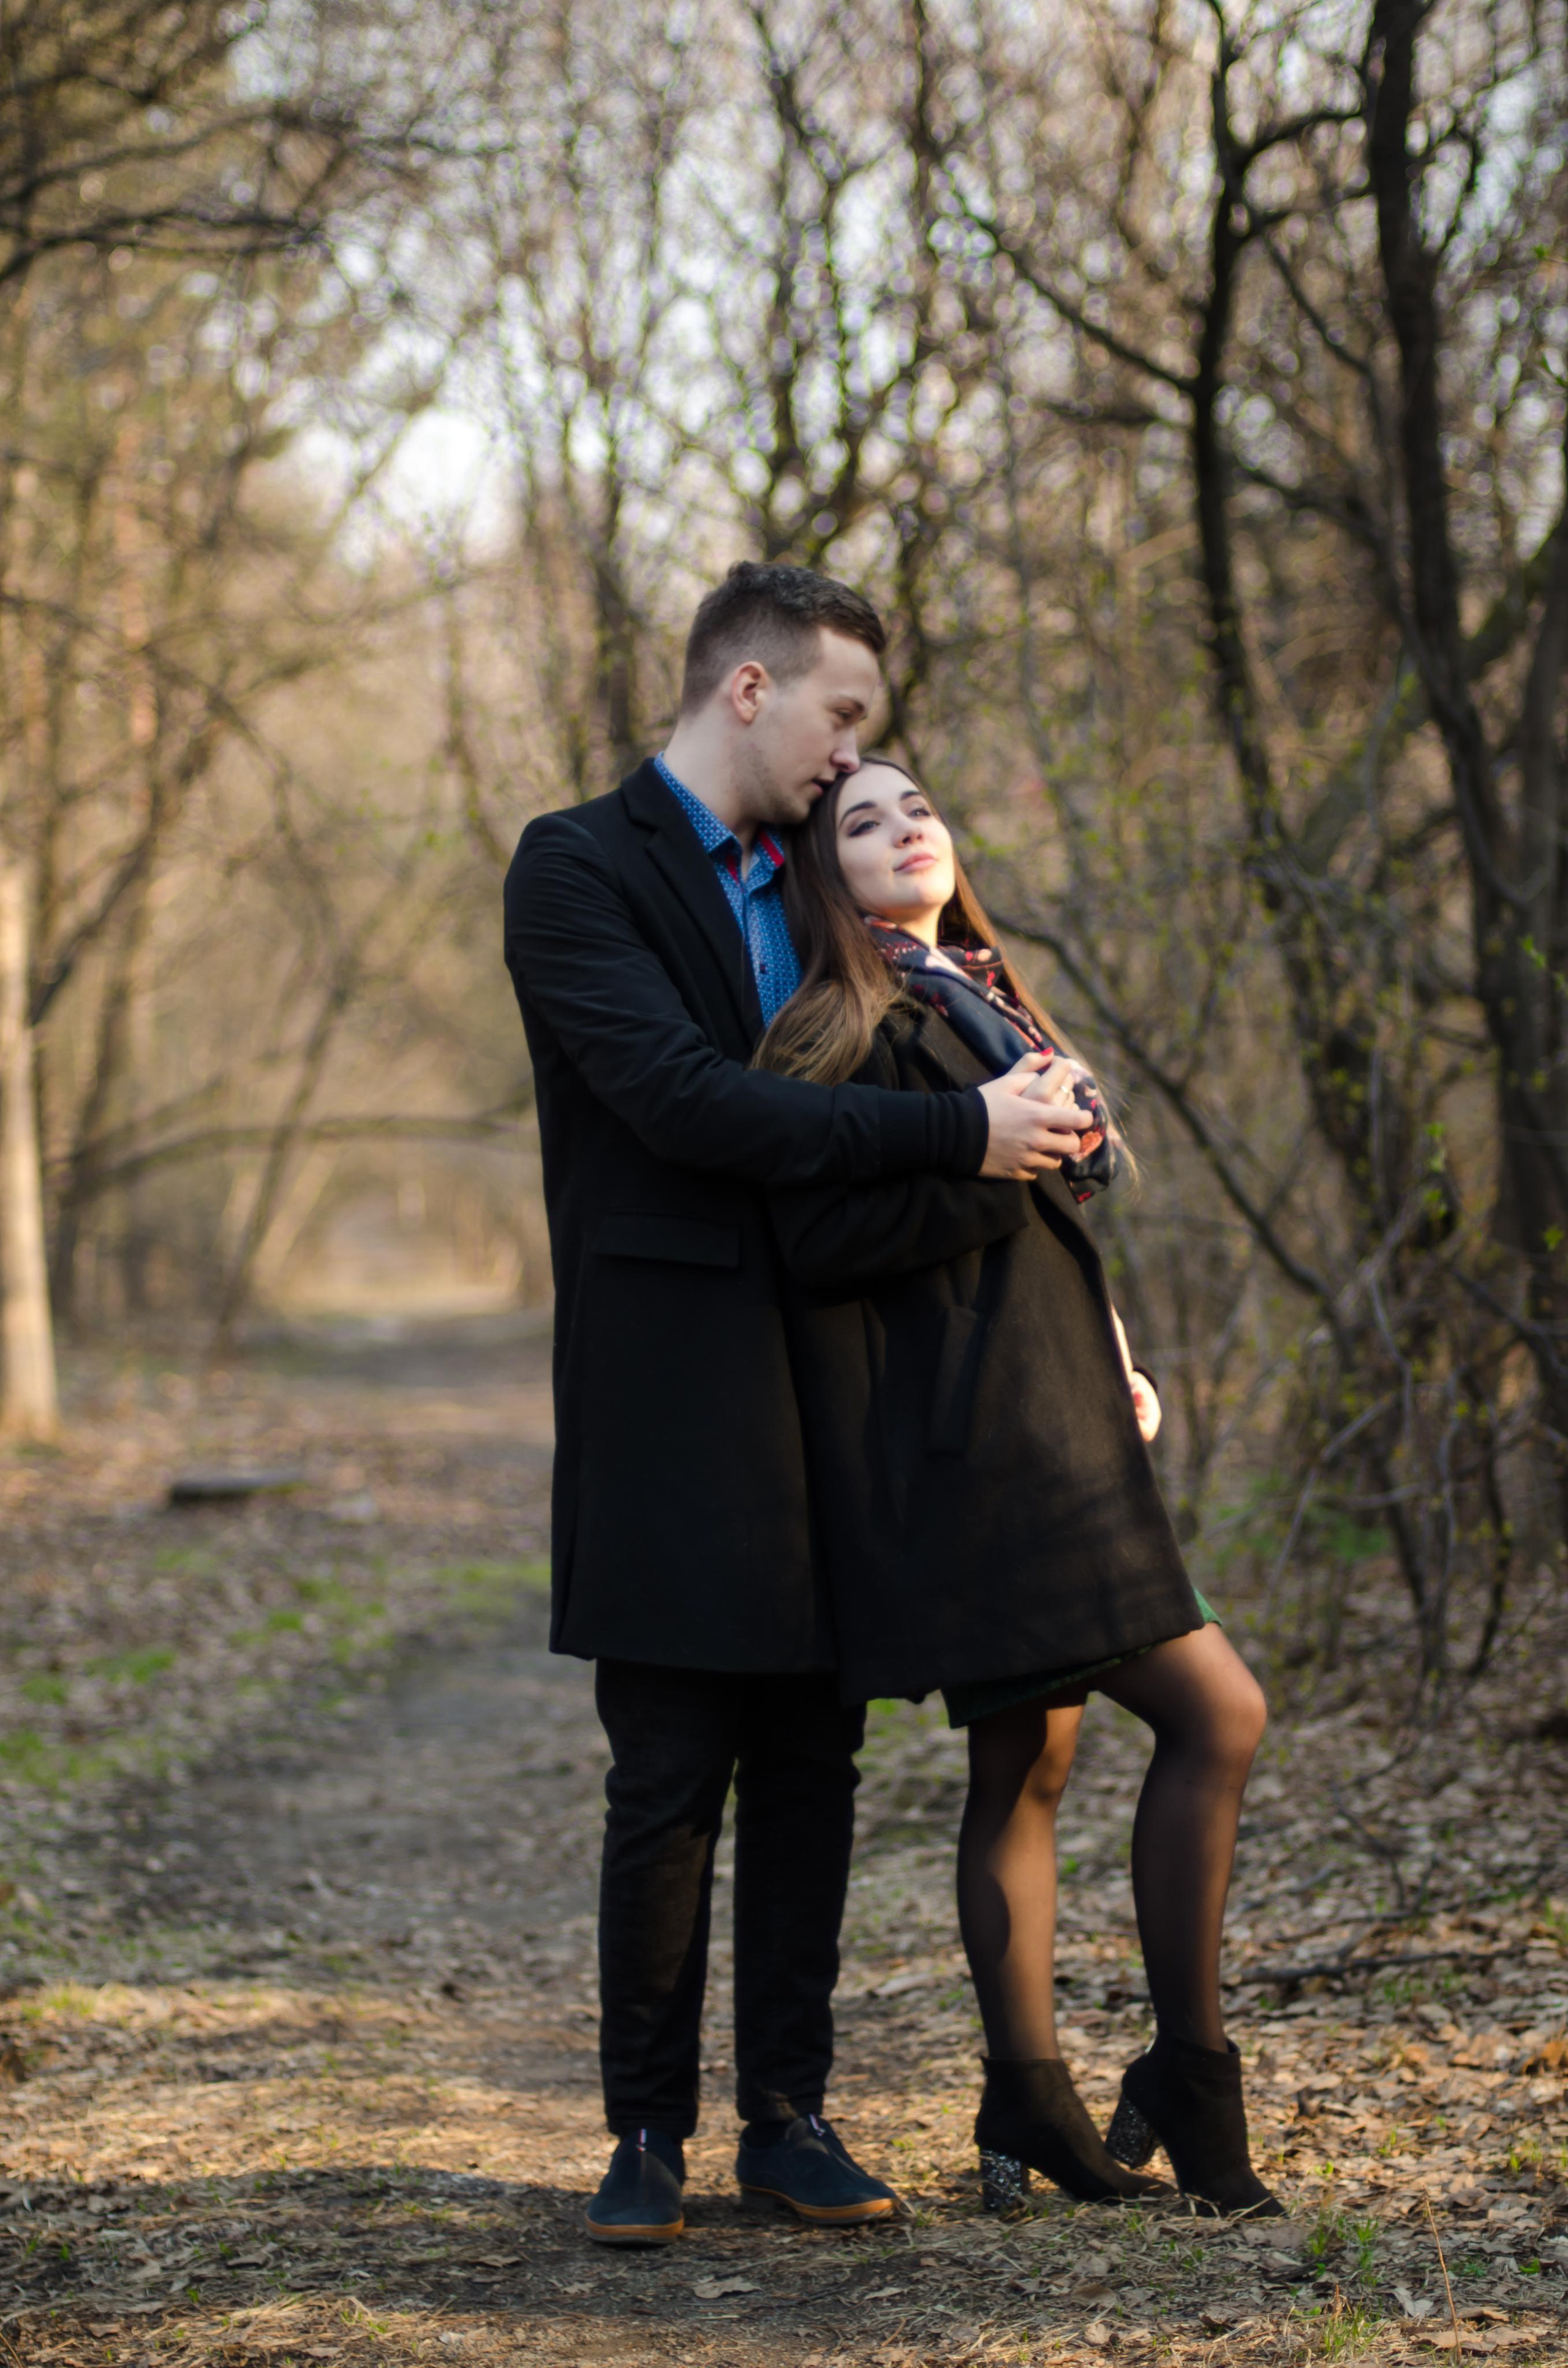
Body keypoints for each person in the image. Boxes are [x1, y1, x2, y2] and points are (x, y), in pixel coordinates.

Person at [502, 566, 1091, 2245]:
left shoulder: (830, 886)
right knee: (672, 1765)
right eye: (841, 718)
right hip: (673, 1387)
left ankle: (788, 2117)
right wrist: (955, 1136)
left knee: (815, 1762)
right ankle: (642, 2136)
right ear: (748, 692)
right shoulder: (575, 868)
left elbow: (958, 1049)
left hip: (850, 1376)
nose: (856, 759)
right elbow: (687, 1105)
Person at [757, 756, 1278, 2219]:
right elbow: (819, 1246)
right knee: (1217, 1711)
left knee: (1028, 1767)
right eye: (861, 822)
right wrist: (982, 1153)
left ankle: (1023, 2098)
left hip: (1064, 1412)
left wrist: (1111, 1344)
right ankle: (1185, 2074)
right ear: (823, 875)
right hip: (981, 1442)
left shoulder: (983, 986)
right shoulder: (832, 1021)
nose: (904, 828)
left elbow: (1043, 1198)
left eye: (915, 806)